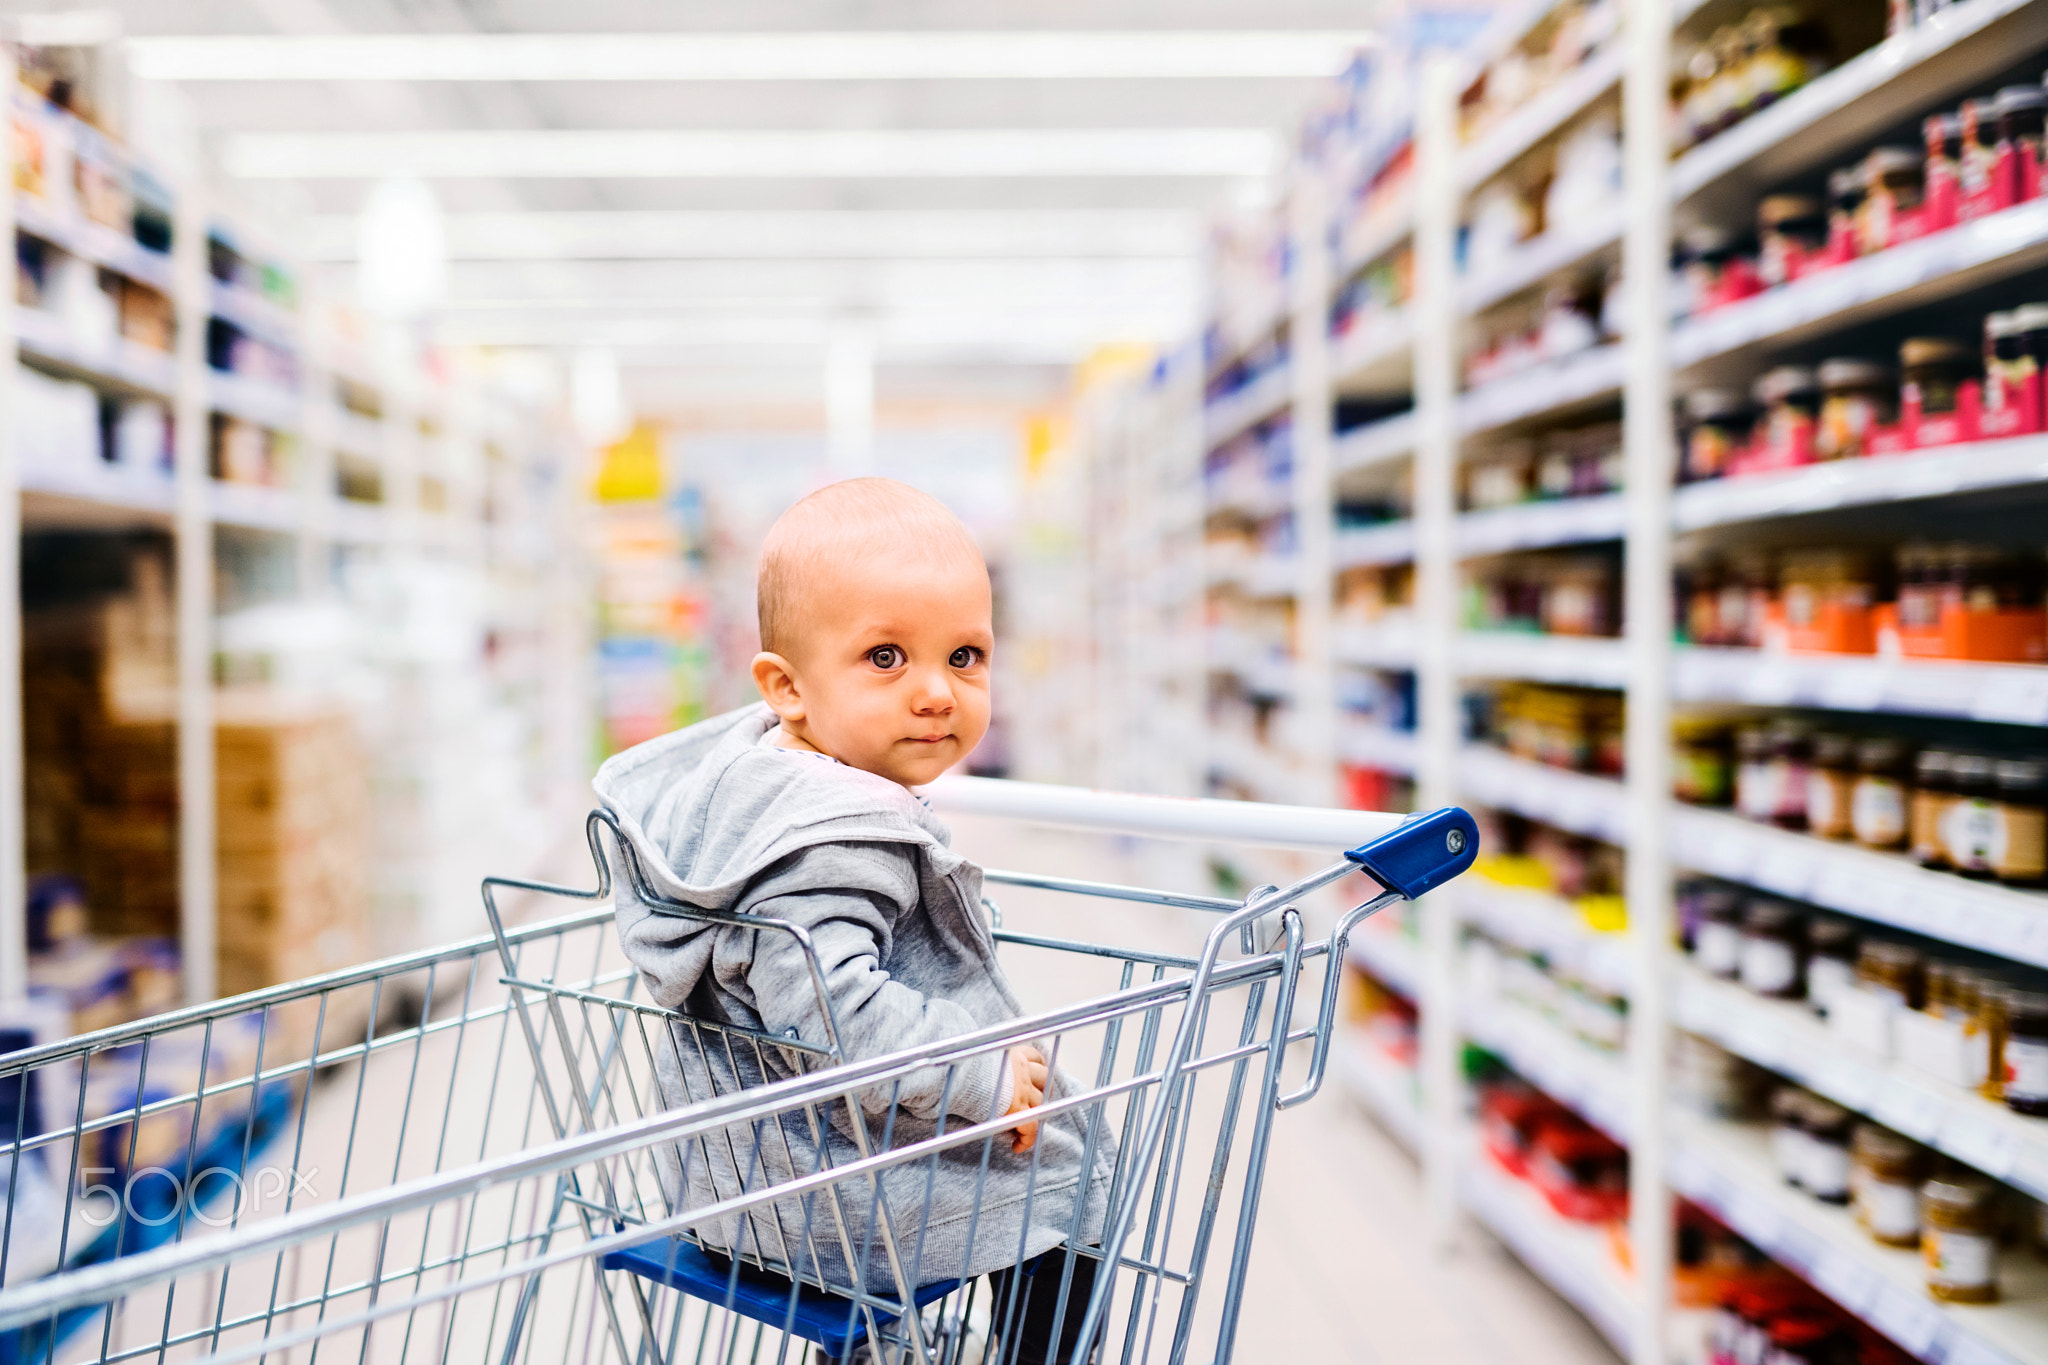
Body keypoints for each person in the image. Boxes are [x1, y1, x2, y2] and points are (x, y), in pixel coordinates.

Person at [594, 477, 1113, 1364]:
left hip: (736, 1173)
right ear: (787, 687)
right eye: (885, 658)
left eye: (965, 656)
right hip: (822, 1200)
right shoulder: (828, 836)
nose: (937, 692)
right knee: (1072, 1173)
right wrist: (979, 1071)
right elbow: (830, 1012)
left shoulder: (759, 787)